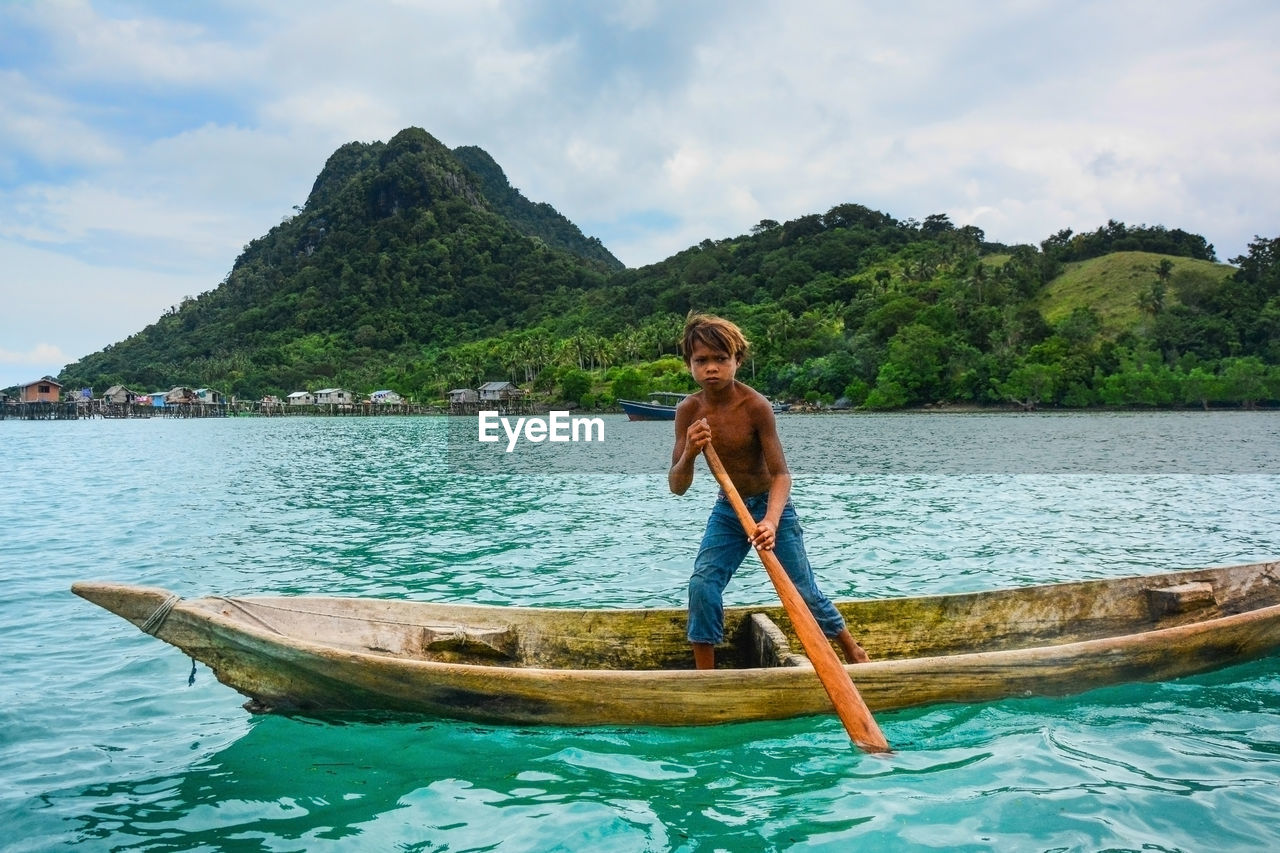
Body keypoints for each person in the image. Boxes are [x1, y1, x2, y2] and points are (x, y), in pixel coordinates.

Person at [668, 313, 870, 670]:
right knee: (703, 585)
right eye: (701, 361)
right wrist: (690, 453)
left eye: (720, 359)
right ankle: (706, 679)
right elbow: (677, 486)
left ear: (737, 361)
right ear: (689, 365)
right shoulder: (688, 411)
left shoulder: (755, 407)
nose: (711, 368)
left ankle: (853, 651)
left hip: (772, 507)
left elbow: (781, 475)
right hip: (729, 508)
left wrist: (772, 522)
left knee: (803, 591)